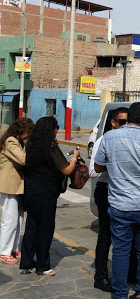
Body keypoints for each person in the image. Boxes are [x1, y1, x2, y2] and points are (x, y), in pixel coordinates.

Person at [94, 102, 140, 299]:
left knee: (121, 251)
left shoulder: (109, 137)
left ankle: (119, 293)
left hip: (121, 205)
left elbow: (98, 167)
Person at [20, 116, 79, 276]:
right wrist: (74, 157)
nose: (57, 130)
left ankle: (26, 263)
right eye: (56, 127)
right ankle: (43, 266)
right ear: (50, 130)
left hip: (31, 191)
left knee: (32, 226)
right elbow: (66, 169)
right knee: (45, 229)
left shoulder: (31, 145)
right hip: (46, 193)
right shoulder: (51, 146)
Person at [89, 107, 135, 292]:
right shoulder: (104, 140)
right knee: (106, 236)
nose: (126, 126)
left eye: (128, 122)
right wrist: (116, 166)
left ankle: (128, 274)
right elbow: (93, 171)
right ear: (114, 123)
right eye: (122, 122)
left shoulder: (132, 139)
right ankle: (100, 277)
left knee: (127, 236)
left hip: (126, 192)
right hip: (107, 190)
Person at [0, 117, 34, 265]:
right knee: (10, 219)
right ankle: (4, 251)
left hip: (17, 185)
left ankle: (13, 248)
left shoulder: (18, 141)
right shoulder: (11, 141)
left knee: (18, 219)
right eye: (28, 132)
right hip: (9, 185)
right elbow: (23, 159)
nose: (28, 135)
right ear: (21, 130)